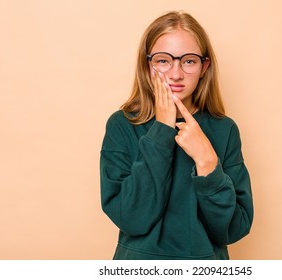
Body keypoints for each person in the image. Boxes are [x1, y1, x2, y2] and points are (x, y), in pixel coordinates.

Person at [100, 11, 253, 260]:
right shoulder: (122, 125)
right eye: (163, 60)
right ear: (147, 65)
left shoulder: (225, 130)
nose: (176, 74)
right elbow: (130, 218)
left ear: (204, 67)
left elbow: (234, 229)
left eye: (189, 61)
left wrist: (207, 163)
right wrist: (161, 130)